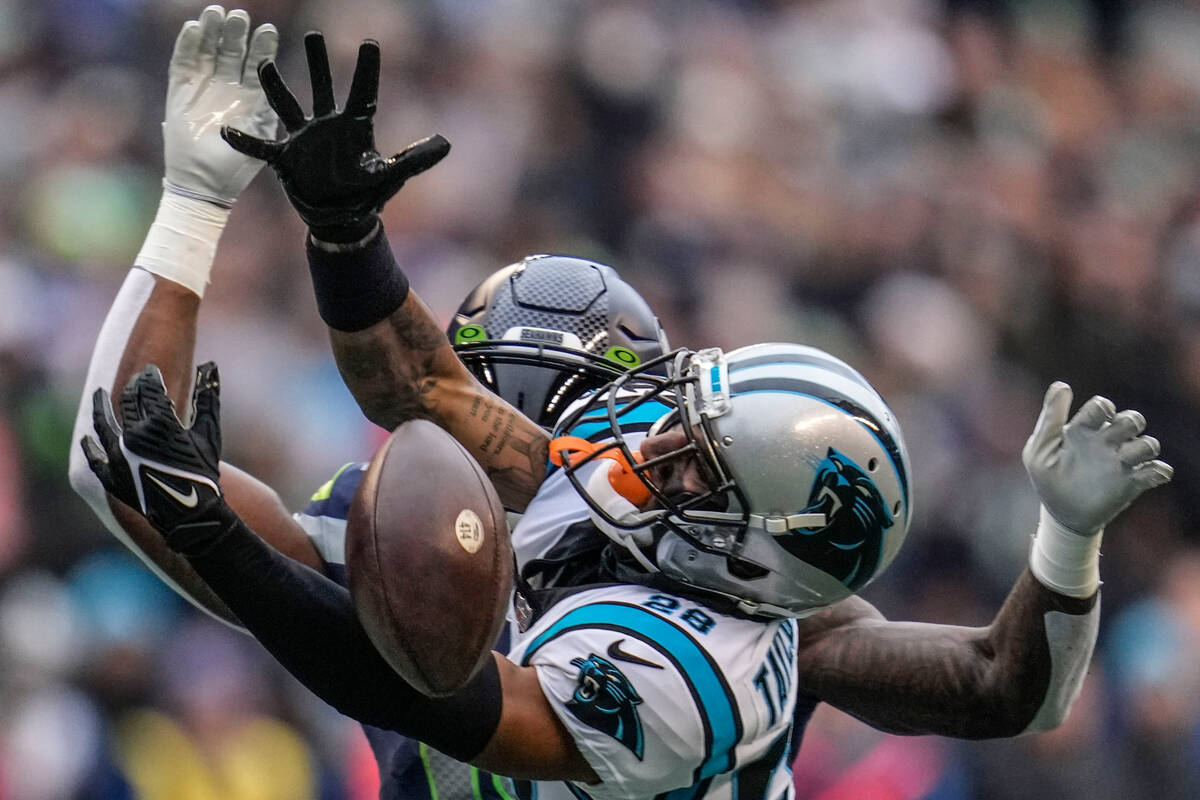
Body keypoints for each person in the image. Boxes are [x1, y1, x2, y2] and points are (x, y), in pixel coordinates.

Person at [79, 16, 1174, 800]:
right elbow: (160, 452)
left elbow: (437, 696)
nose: (622, 438)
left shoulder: (705, 663)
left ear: (749, 552)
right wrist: (307, 226)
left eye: (683, 455)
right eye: (658, 408)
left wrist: (217, 533)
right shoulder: (600, 486)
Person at [65, 8, 668, 799]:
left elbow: (116, 467)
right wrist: (193, 203)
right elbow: (124, 461)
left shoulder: (708, 555)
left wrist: (194, 207)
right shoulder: (402, 523)